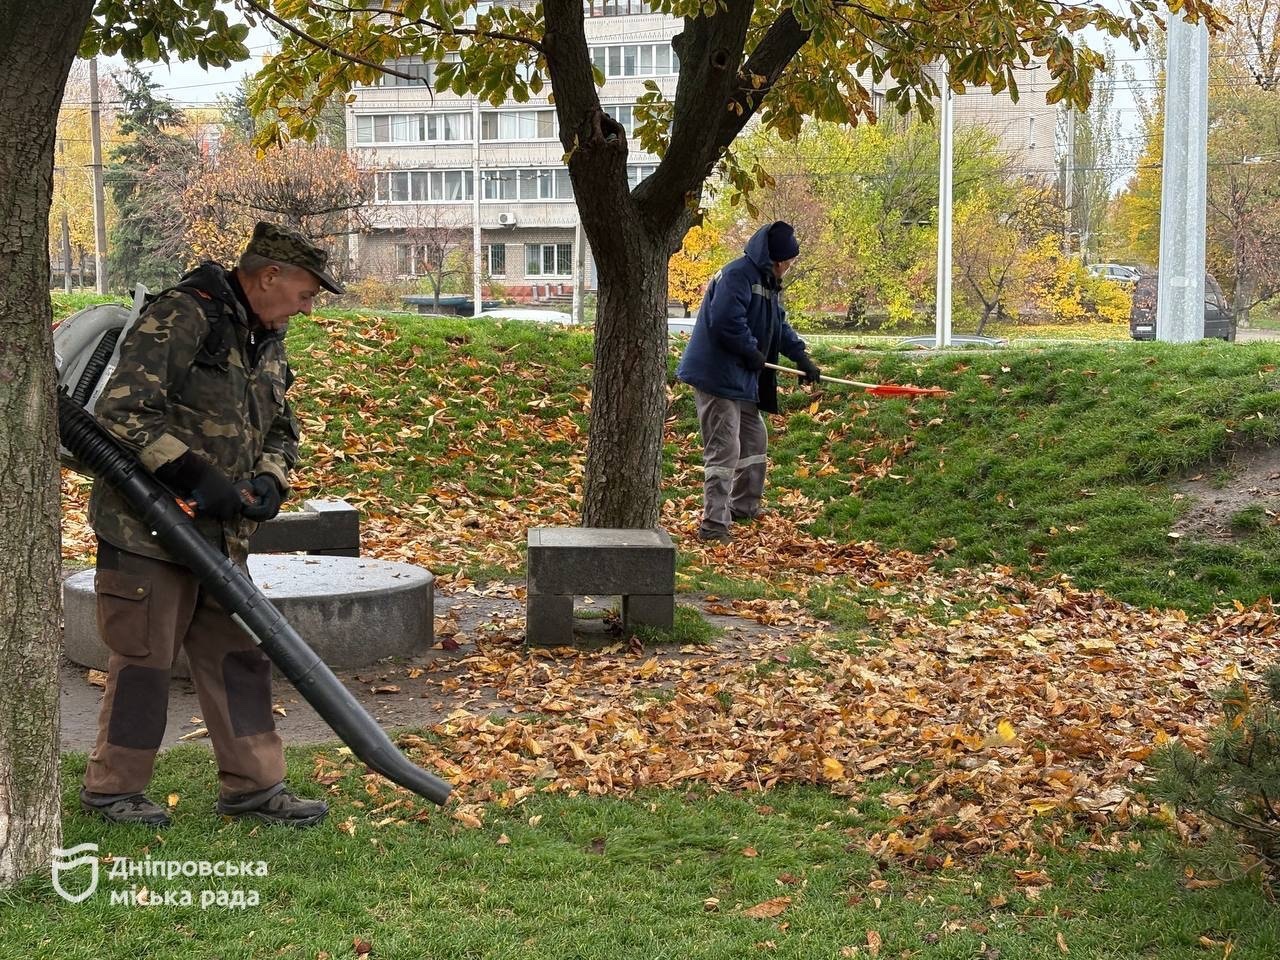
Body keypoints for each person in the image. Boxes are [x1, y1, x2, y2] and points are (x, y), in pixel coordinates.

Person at [80, 222, 344, 828]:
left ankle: (255, 787)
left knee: (239, 658)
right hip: (147, 530)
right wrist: (199, 479)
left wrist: (271, 481)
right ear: (268, 276)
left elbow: (282, 425)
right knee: (144, 660)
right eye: (306, 293)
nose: (307, 307)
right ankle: (113, 790)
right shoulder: (183, 316)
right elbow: (121, 413)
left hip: (221, 538)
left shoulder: (265, 339)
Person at [676, 221, 821, 543]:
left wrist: (801, 358)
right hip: (716, 376)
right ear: (778, 260)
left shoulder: (767, 282)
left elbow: (778, 326)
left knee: (754, 442)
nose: (790, 267)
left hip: (741, 378)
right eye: (790, 262)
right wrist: (751, 351)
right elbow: (727, 322)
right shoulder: (736, 276)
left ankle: (744, 508)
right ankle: (714, 524)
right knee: (725, 449)